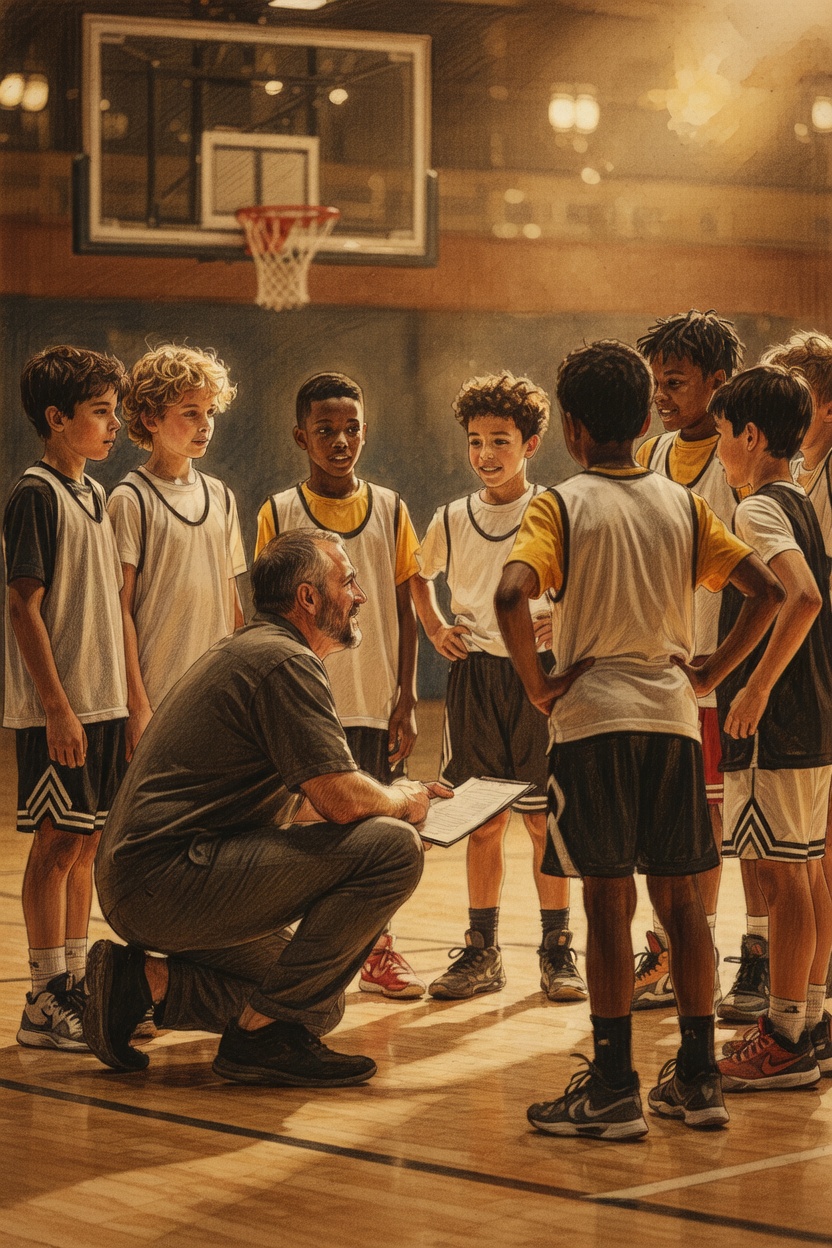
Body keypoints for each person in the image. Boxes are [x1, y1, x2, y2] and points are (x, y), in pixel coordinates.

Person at [495, 340, 782, 1140]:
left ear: (573, 428)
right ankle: (698, 1077)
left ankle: (614, 1084)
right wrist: (712, 668)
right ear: (641, 421)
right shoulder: (682, 505)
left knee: (607, 902)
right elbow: (764, 590)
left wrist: (537, 684)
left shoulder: (560, 505)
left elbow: (511, 593)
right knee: (684, 902)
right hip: (672, 722)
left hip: (593, 724)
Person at [84, 529, 451, 1086]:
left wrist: (396, 803)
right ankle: (257, 1040)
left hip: (148, 880)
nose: (360, 596)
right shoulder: (284, 661)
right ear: (308, 597)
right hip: (162, 880)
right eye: (349, 582)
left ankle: (143, 984)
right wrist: (404, 802)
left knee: (315, 1006)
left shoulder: (259, 649)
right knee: (394, 849)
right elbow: (339, 798)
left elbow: (304, 806)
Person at [411, 370, 584, 1003]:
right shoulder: (453, 516)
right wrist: (435, 626)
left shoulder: (554, 510)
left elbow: (583, 582)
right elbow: (417, 574)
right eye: (476, 441)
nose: (486, 453)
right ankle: (481, 950)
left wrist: (563, 618)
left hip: (537, 677)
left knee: (542, 824)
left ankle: (556, 949)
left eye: (500, 441)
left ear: (530, 444)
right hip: (476, 678)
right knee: (482, 822)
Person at [255, 372, 425, 1000]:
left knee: (381, 827)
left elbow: (406, 608)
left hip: (373, 698)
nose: (340, 440)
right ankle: (300, 951)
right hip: (305, 702)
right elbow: (267, 613)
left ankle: (378, 949)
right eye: (325, 429)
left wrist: (406, 696)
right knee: (304, 827)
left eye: (351, 428)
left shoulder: (392, 506)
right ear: (301, 436)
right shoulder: (278, 511)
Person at [3, 345, 128, 1050]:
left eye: (115, 412)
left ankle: (75, 983)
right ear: (56, 418)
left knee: (86, 845)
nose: (114, 425)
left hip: (102, 704)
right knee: (56, 845)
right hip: (62, 708)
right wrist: (55, 706)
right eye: (100, 412)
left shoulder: (95, 495)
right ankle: (43, 999)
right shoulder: (35, 494)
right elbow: (23, 606)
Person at [712, 366, 832, 1091]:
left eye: (725, 433)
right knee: (809, 870)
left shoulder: (757, 509)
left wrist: (754, 688)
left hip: (778, 723)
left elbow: (804, 596)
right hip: (812, 716)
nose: (721, 447)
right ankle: (808, 1021)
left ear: (752, 436)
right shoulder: (801, 502)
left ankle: (784, 1040)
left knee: (786, 878)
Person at [633, 309, 745, 1013]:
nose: (661, 395)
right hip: (656, 672)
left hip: (715, 674)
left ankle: (699, 954)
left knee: (708, 827)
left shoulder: (740, 462)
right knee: (661, 826)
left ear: (717, 381)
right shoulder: (648, 454)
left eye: (675, 381)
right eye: (656, 382)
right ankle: (667, 952)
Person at [107, 344, 247, 760]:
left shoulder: (221, 496)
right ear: (151, 419)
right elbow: (120, 612)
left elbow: (233, 609)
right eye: (190, 412)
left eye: (210, 412)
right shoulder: (130, 499)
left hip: (214, 698)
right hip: (156, 698)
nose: (205, 425)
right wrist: (137, 705)